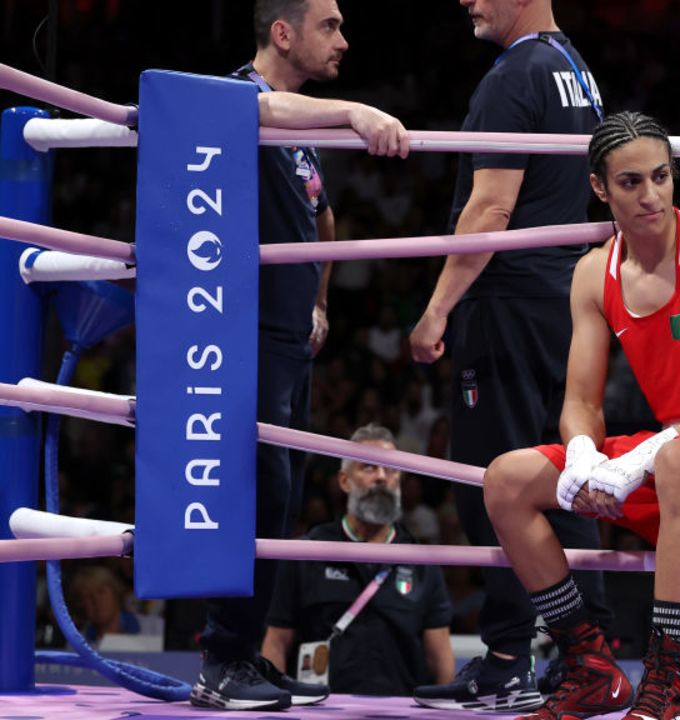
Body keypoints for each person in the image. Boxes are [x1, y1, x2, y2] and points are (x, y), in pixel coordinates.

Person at [478, 111, 680, 720]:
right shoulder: (592, 273)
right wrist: (582, 452)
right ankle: (590, 667)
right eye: (631, 182)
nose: (651, 195)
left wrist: (643, 457)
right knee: (505, 479)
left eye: (661, 176)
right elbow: (580, 400)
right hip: (679, 451)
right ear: (601, 188)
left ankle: (665, 687)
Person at [191, 0, 410, 711]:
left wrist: (319, 299)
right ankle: (221, 661)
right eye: (330, 25)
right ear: (282, 33)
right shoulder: (237, 98)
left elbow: (323, 213)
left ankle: (245, 655)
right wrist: (355, 113)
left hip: (289, 336)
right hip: (240, 331)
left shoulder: (300, 128)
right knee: (246, 494)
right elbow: (255, 116)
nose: (343, 38)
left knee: (276, 501)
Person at [408, 0, 610, 712]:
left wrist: (438, 307)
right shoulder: (574, 70)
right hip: (564, 299)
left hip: (510, 305)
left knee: (493, 479)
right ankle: (588, 654)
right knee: (565, 468)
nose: (466, 0)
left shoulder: (515, 74)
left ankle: (508, 658)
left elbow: (491, 208)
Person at [262, 424, 455, 696]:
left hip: (399, 714)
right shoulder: (307, 552)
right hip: (321, 713)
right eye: (369, 467)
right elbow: (277, 642)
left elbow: (440, 658)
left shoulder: (422, 561)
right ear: (344, 480)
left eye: (391, 469)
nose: (381, 477)